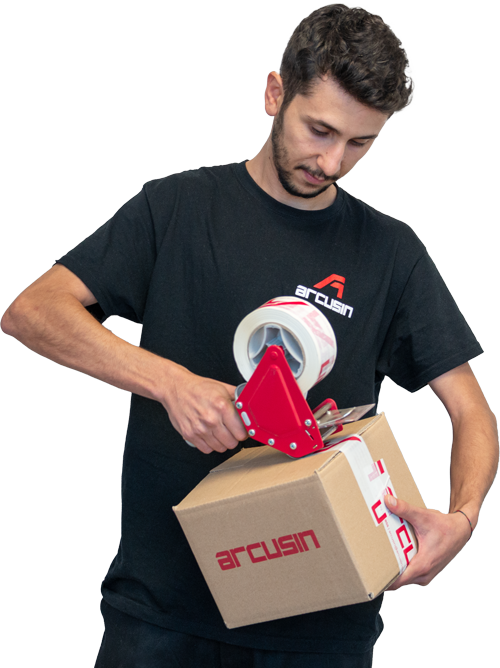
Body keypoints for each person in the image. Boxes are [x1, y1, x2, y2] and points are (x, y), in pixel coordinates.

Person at [1, 4, 498, 667]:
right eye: (319, 130)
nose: (333, 161)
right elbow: (33, 311)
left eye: (359, 143)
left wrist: (462, 519)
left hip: (321, 629)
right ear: (274, 93)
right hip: (160, 616)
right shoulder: (178, 209)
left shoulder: (391, 253)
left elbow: (471, 411)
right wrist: (170, 383)